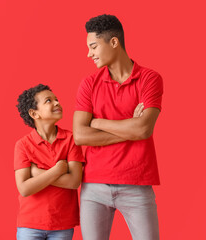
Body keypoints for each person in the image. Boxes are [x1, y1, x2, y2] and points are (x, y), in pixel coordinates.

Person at [73, 14, 163, 240]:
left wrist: (97, 122)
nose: (89, 53)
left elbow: (143, 130)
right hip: (94, 187)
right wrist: (129, 128)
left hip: (137, 183)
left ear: (114, 42)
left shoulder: (149, 79)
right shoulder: (89, 84)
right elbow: (80, 135)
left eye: (93, 46)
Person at [14, 84, 85, 240]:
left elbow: (74, 181)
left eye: (56, 99)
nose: (57, 103)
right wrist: (58, 170)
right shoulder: (23, 145)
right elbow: (25, 188)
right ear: (34, 113)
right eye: (48, 101)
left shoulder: (71, 139)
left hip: (62, 224)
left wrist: (37, 173)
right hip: (30, 224)